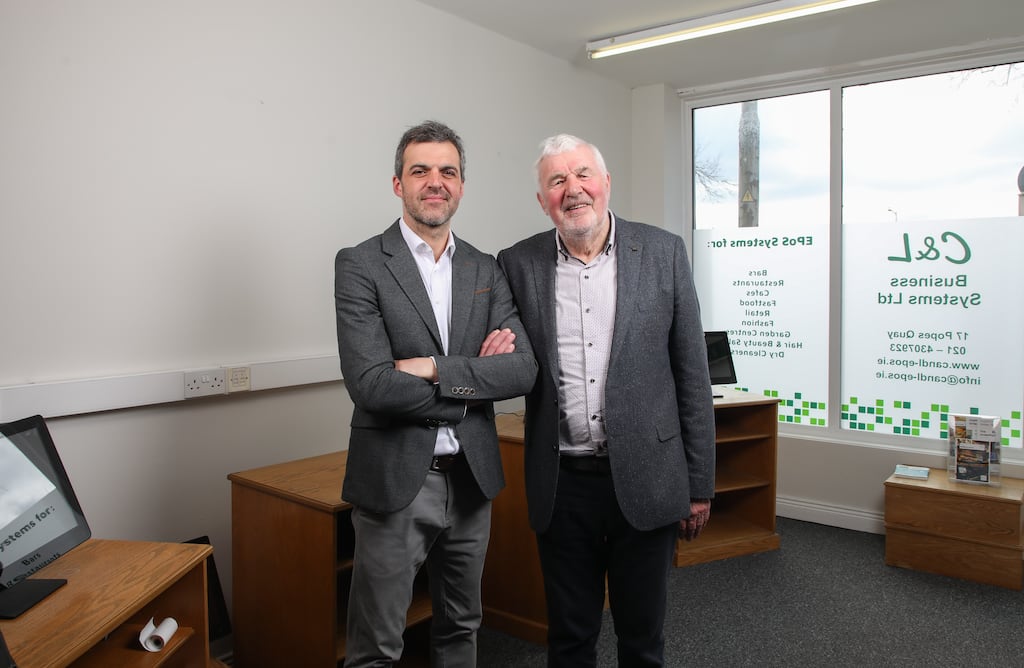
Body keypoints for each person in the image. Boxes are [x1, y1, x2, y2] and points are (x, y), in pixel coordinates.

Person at [497, 133, 716, 667]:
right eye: (557, 181)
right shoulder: (517, 263)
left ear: (606, 184)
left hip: (646, 475)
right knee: (570, 638)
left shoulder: (663, 252)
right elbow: (510, 356)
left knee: (642, 638)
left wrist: (699, 484)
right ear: (543, 199)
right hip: (562, 483)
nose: (573, 190)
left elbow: (692, 374)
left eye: (582, 175)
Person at [334, 120, 537, 667]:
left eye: (448, 171)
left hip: (472, 480)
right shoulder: (361, 264)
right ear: (397, 184)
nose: (435, 182)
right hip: (398, 480)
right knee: (376, 647)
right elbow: (372, 385)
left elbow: (522, 372)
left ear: (462, 186)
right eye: (419, 170)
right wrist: (474, 381)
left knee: (461, 629)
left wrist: (429, 368)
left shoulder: (485, 268)